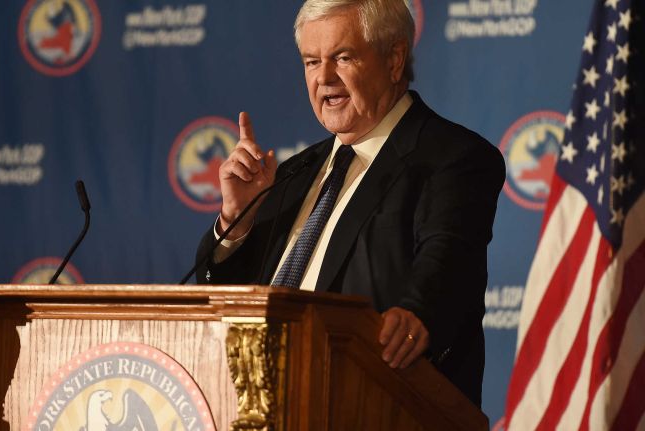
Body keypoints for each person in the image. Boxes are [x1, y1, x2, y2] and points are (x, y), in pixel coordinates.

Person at [194, 0, 504, 407]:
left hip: (381, 402)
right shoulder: (294, 172)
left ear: (394, 59)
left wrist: (417, 314)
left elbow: (447, 259)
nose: (324, 78)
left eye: (342, 57)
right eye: (310, 61)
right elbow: (230, 302)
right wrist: (238, 220)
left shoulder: (451, 156)